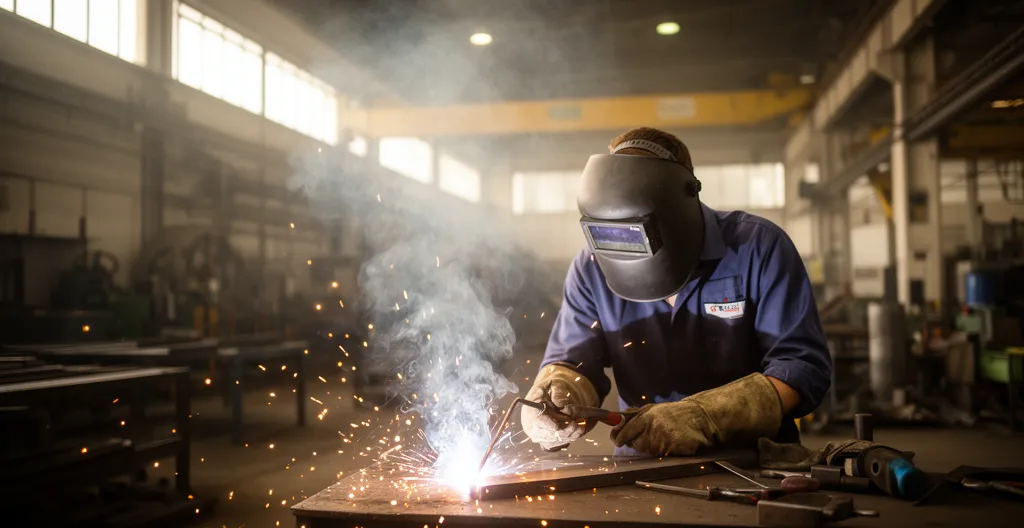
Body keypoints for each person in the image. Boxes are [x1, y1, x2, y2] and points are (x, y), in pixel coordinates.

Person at [521, 127, 832, 456]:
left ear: (682, 203)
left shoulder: (758, 247)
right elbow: (572, 362)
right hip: (641, 468)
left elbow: (802, 369)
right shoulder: (591, 267)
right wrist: (560, 396)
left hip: (751, 462)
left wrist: (707, 416)